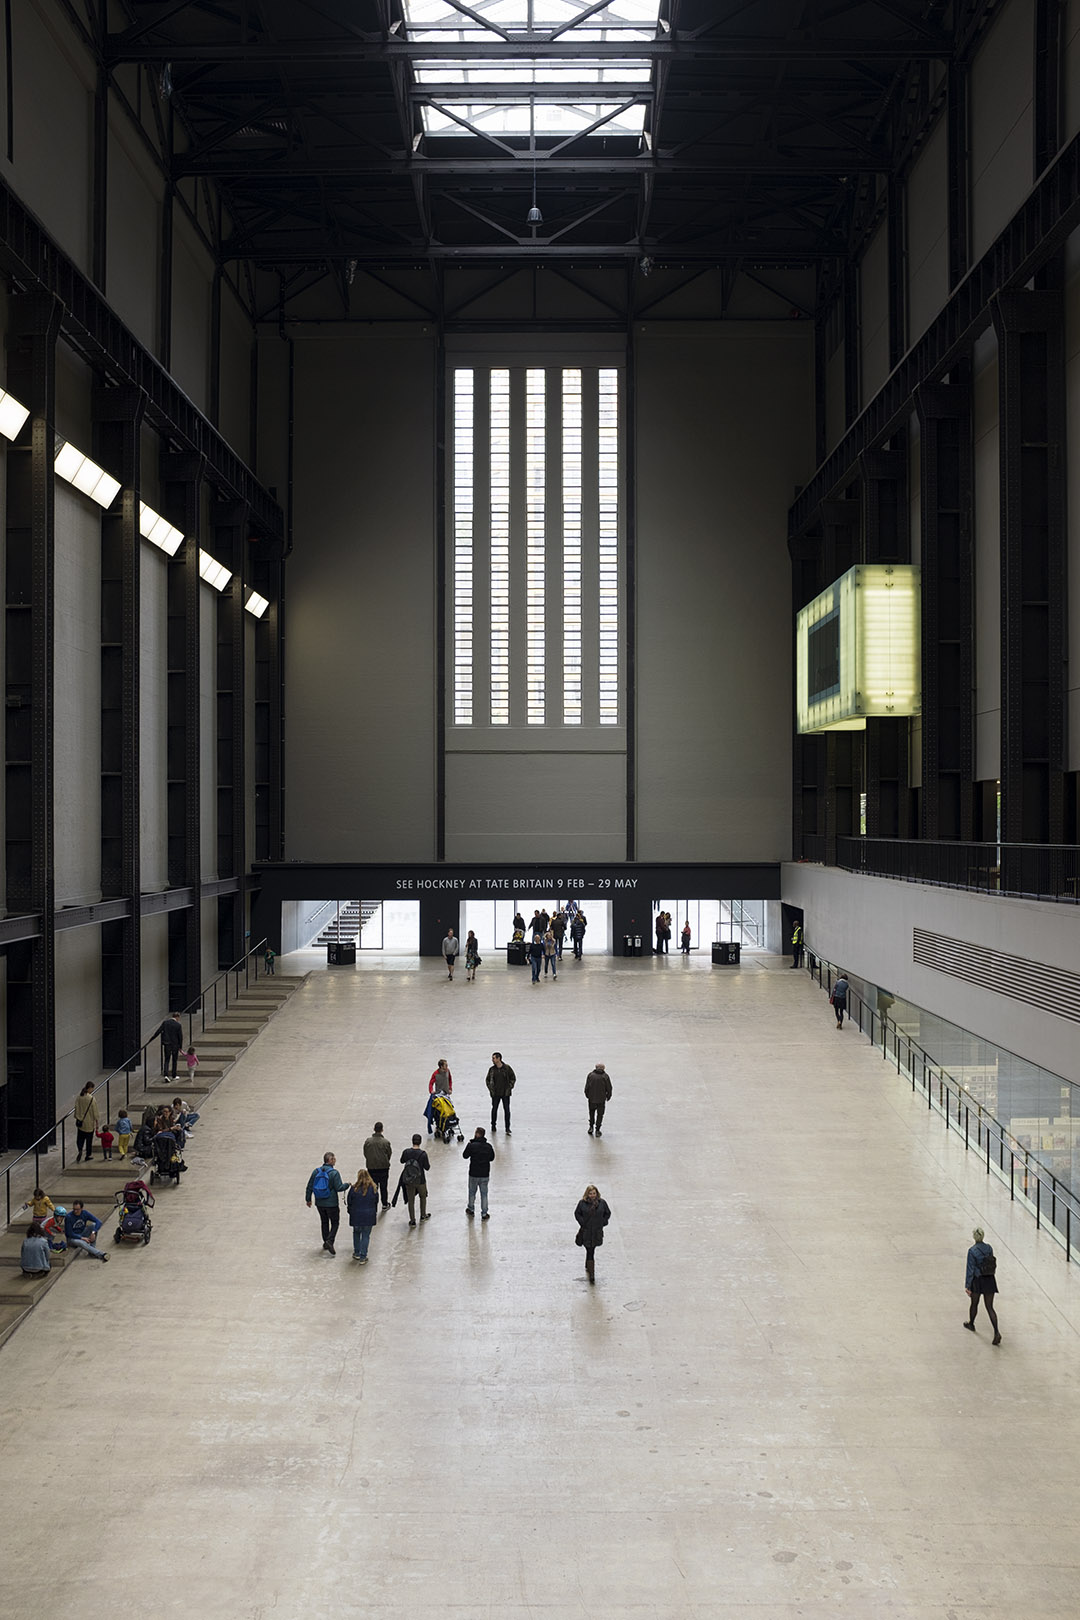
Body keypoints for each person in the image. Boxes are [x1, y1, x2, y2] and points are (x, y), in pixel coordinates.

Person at [305, 1152, 347, 1255]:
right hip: (331, 1203)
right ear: (331, 1160)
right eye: (334, 1159)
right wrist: (347, 1185)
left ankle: (325, 1242)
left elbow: (310, 1186)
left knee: (324, 1222)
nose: (335, 1160)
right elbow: (339, 1188)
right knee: (335, 1222)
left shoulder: (316, 1172)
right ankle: (330, 1241)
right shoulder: (334, 1173)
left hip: (319, 1202)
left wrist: (308, 1199)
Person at [964, 1226, 1001, 1344]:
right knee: (990, 1307)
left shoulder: (972, 1251)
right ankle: (996, 1332)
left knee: (974, 1303)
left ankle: (971, 1323)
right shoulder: (989, 1248)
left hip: (977, 1281)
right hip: (990, 1279)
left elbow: (970, 1270)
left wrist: (968, 1285)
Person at [574, 1185, 612, 1283]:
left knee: (591, 1249)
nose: (592, 1195)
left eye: (594, 1193)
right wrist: (582, 1223)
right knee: (589, 1250)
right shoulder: (582, 1204)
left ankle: (588, 1266)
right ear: (587, 1194)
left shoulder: (602, 1203)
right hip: (586, 1231)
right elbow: (577, 1213)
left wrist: (602, 1223)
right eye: (590, 1194)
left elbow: (607, 1213)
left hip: (596, 1232)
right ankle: (591, 1274)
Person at [346, 1170, 379, 1262]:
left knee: (356, 1233)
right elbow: (376, 1201)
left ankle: (356, 1252)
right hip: (369, 1216)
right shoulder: (374, 1188)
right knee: (365, 1235)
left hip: (356, 1215)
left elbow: (350, 1202)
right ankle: (363, 1256)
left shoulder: (354, 1189)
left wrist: (350, 1212)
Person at [463, 1126, 495, 1218]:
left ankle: (471, 1209)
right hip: (484, 1174)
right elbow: (492, 1158)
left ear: (477, 1134)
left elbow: (465, 1155)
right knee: (484, 1194)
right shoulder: (488, 1146)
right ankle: (484, 1213)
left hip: (473, 1173)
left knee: (472, 1192)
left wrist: (470, 1145)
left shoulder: (471, 1146)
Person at [399, 1135, 431, 1226]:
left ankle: (412, 1220)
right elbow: (427, 1167)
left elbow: (402, 1161)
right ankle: (423, 1215)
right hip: (420, 1180)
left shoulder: (406, 1152)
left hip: (409, 1180)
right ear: (420, 1142)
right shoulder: (423, 1154)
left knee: (411, 1200)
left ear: (412, 1141)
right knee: (423, 1197)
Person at [362, 1122, 392, 1210]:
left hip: (371, 1168)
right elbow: (389, 1154)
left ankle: (373, 1204)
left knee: (373, 1187)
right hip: (383, 1168)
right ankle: (384, 1204)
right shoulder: (386, 1142)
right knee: (383, 1186)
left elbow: (365, 1153)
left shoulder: (368, 1141)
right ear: (382, 1130)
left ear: (374, 1129)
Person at [485, 1052, 516, 1134]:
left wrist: (510, 1086)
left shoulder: (507, 1068)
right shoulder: (492, 1070)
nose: (492, 1060)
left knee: (507, 1110)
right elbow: (487, 1080)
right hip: (495, 1094)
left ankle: (507, 1128)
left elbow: (513, 1077)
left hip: (505, 1094)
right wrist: (490, 1088)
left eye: (494, 1058)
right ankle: (493, 1125)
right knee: (494, 1109)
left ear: (499, 1059)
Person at [426, 1058, 453, 1136]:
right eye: (445, 1065)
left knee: (448, 1109)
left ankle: (447, 1124)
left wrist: (450, 1088)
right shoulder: (435, 1073)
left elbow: (450, 1080)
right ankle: (438, 1126)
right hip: (439, 1095)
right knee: (438, 1111)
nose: (447, 1066)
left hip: (446, 1094)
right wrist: (431, 1091)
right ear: (441, 1066)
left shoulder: (448, 1071)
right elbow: (431, 1083)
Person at [585, 1062, 612, 1137]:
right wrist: (608, 1096)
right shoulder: (605, 1076)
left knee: (591, 1113)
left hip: (592, 1099)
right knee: (600, 1115)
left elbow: (587, 1087)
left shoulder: (590, 1075)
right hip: (601, 1100)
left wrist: (588, 1095)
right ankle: (597, 1130)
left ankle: (591, 1127)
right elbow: (609, 1088)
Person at [74, 1083, 100, 1162]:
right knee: (89, 1140)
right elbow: (95, 1112)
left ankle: (80, 1149)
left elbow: (76, 1108)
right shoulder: (91, 1098)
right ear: (90, 1088)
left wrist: (78, 1117)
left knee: (80, 1138)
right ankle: (88, 1155)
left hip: (81, 1123)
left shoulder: (79, 1097)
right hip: (89, 1123)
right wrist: (97, 1122)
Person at [154, 1011, 184, 1077]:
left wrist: (152, 1038)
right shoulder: (178, 1025)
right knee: (174, 1060)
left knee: (167, 1059)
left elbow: (158, 1031)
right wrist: (180, 1047)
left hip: (167, 1043)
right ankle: (174, 1075)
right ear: (177, 1017)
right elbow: (180, 1036)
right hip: (175, 1045)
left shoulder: (165, 1023)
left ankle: (166, 1074)